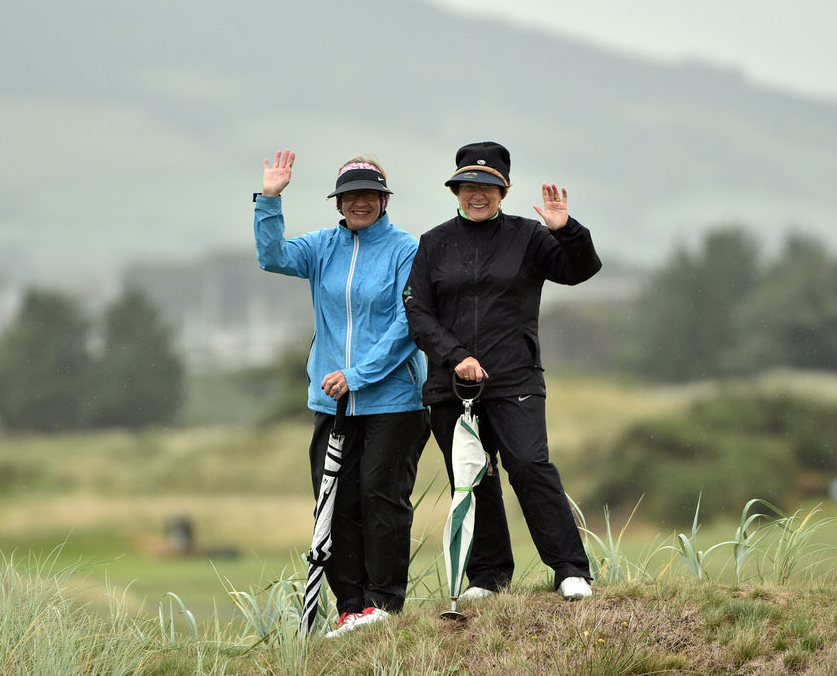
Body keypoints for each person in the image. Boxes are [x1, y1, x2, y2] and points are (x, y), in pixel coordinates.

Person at [403, 141, 601, 601]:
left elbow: (581, 270)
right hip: (451, 385)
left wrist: (566, 229)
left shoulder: (530, 236)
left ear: (504, 190)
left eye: (488, 186)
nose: (478, 193)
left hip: (515, 379)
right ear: (455, 189)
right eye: (469, 185)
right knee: (473, 477)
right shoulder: (434, 243)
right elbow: (417, 311)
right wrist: (456, 356)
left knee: (530, 465)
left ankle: (571, 570)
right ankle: (488, 577)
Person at [254, 149, 429, 637]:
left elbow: (407, 323)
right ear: (339, 202)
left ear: (384, 198)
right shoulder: (322, 248)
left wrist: (359, 374)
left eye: (370, 195)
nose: (361, 203)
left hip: (395, 400)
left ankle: (384, 603)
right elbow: (272, 256)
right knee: (334, 502)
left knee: (381, 497)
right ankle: (350, 606)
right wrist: (270, 199)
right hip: (332, 402)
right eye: (351, 196)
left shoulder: (405, 250)